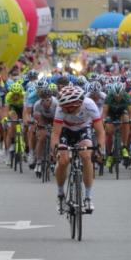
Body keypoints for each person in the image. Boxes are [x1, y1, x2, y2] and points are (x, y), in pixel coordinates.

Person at [51, 86, 105, 214]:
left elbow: (100, 131)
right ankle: (60, 195)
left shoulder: (90, 105)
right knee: (63, 161)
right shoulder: (60, 108)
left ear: (78, 104)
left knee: (86, 156)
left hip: (83, 129)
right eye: (63, 106)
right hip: (65, 131)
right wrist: (54, 151)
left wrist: (101, 151)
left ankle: (87, 197)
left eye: (68, 107)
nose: (65, 109)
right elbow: (55, 134)